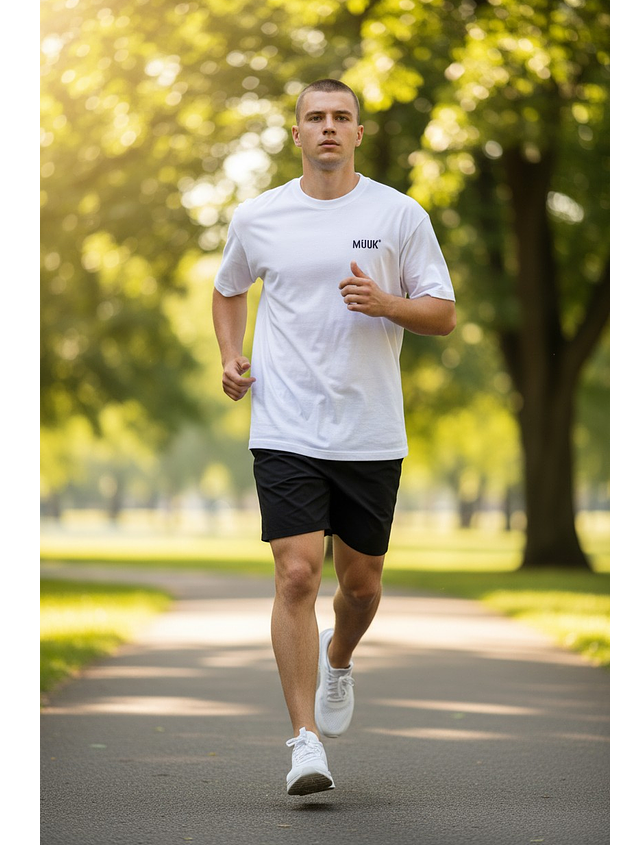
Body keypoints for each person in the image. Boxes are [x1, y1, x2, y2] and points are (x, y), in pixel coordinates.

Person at [211, 78, 456, 796]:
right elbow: (229, 287)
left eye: (339, 118)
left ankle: (339, 659)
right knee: (295, 574)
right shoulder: (258, 217)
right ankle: (304, 741)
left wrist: (386, 303)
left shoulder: (399, 213)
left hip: (370, 429)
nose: (327, 128)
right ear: (296, 134)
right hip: (285, 423)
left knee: (361, 584)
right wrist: (230, 354)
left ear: (357, 133)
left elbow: (442, 313)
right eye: (314, 117)